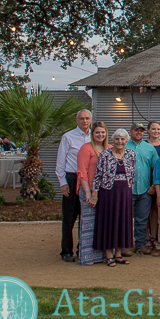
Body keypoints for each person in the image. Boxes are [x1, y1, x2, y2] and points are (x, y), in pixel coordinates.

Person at [91, 129, 135, 267]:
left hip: (125, 192)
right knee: (109, 221)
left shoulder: (131, 155)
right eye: (117, 139)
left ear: (126, 141)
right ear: (113, 140)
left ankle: (118, 254)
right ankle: (109, 254)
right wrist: (94, 192)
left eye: (122, 139)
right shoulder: (105, 155)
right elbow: (98, 174)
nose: (119, 141)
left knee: (123, 221)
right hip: (108, 192)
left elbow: (133, 173)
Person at [55, 109, 92, 263]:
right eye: (81, 118)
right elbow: (60, 162)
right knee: (70, 218)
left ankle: (82, 249)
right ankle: (66, 251)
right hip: (71, 178)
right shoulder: (68, 137)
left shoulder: (95, 137)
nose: (84, 121)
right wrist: (63, 183)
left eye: (87, 118)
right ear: (77, 121)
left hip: (88, 180)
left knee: (86, 218)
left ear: (91, 120)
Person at [76, 121, 108, 266]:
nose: (100, 135)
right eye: (97, 132)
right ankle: (88, 257)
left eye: (102, 132)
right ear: (92, 134)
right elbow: (82, 172)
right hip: (89, 190)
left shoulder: (110, 149)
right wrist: (88, 193)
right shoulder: (86, 148)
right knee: (89, 224)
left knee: (104, 224)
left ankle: (103, 255)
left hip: (106, 192)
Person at [127, 123, 158, 256]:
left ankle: (140, 245)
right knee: (126, 219)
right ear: (131, 131)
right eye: (136, 130)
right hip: (127, 190)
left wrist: (152, 186)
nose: (139, 133)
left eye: (141, 131)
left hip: (145, 190)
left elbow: (155, 169)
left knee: (141, 220)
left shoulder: (149, 148)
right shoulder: (124, 146)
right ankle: (125, 245)